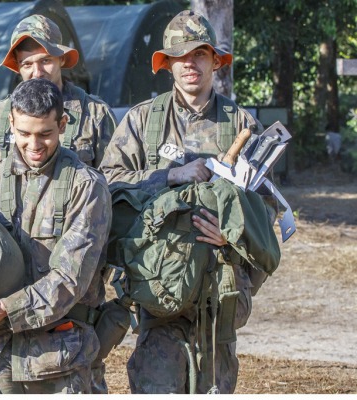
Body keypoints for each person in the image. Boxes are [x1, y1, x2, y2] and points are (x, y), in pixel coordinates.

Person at [99, 10, 274, 394]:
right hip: (160, 290)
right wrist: (168, 176)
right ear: (167, 65)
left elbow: (266, 211)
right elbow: (106, 186)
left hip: (219, 292)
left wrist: (232, 237)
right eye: (180, 56)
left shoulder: (242, 125)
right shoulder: (142, 122)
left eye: (199, 54)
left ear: (215, 61)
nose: (190, 64)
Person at [0, 78, 111, 394]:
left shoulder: (86, 187)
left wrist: (8, 308)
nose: (33, 145)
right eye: (23, 134)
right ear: (10, 122)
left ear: (62, 124)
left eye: (45, 134)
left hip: (60, 358)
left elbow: (69, 279)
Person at [0, 14, 117, 182]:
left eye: (45, 61)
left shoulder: (94, 114)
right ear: (18, 67)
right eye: (27, 64)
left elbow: (113, 180)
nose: (37, 73)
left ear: (61, 59)